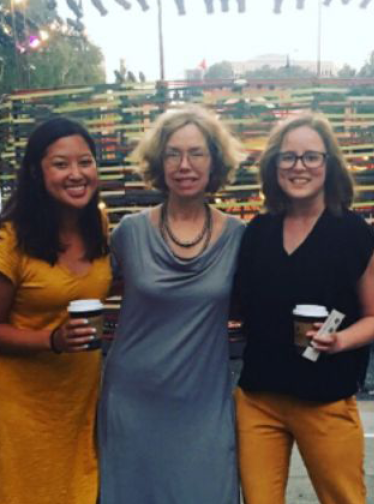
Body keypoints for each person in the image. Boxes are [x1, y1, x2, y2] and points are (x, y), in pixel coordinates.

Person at [97, 105, 247, 504]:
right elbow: (77, 286)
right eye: (173, 153)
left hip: (203, 405)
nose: (185, 164)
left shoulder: (239, 237)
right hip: (133, 401)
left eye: (197, 153)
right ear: (158, 162)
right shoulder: (129, 232)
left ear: (214, 161)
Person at [234, 113, 374, 504]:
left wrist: (340, 340)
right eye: (288, 157)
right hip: (258, 401)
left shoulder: (354, 234)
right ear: (274, 166)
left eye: (311, 157)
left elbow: (373, 319)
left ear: (328, 164)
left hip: (326, 400)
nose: (299, 166)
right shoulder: (258, 231)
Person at [0, 118, 111, 504]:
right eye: (61, 164)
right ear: (37, 172)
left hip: (81, 403)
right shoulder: (9, 240)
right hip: (24, 408)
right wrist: (52, 339)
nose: (76, 174)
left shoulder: (98, 224)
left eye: (85, 162)